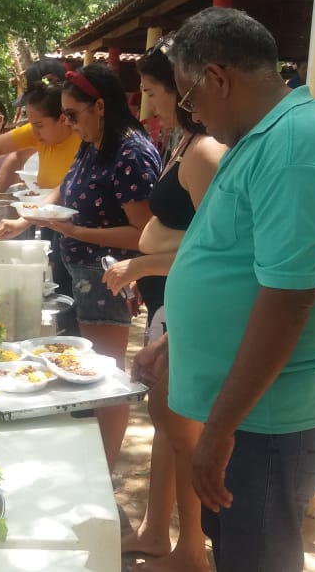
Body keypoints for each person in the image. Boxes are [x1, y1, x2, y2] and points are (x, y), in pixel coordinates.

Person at [132, 8, 315, 571]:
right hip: (250, 416)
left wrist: (217, 431)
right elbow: (236, 261)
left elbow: (288, 302)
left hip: (271, 419)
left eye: (189, 99)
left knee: (257, 558)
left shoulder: (294, 146)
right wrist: (180, 338)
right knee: (237, 547)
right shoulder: (261, 138)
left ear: (218, 78)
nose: (193, 115)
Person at [0, 64, 161, 472]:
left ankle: (102, 474)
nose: (67, 122)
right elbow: (65, 187)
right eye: (63, 115)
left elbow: (145, 234)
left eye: (72, 114)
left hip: (109, 276)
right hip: (80, 271)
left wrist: (78, 231)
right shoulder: (94, 140)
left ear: (99, 106)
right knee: (81, 371)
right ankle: (89, 464)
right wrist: (27, 219)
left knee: (105, 378)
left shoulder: (131, 151)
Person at [102, 37, 227, 572]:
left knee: (182, 430)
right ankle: (157, 532)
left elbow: (214, 249)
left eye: (154, 91)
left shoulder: (204, 153)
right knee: (164, 422)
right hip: (168, 301)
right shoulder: (180, 141)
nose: (147, 105)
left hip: (190, 304)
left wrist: (140, 265)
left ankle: (191, 552)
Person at [0, 61, 82, 335]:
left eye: (39, 125)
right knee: (65, 302)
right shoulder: (40, 134)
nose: (34, 132)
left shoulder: (83, 140)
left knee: (82, 308)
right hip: (52, 225)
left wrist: (25, 219)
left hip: (82, 233)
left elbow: (68, 189)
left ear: (64, 119)